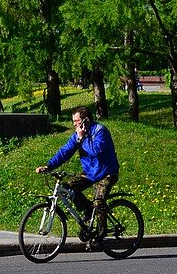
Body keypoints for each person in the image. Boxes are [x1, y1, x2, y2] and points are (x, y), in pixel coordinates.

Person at [36, 106, 119, 249]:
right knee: (68, 187)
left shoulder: (100, 131)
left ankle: (101, 234)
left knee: (99, 203)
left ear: (85, 120)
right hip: (90, 173)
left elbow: (96, 151)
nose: (74, 124)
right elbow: (65, 151)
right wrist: (49, 166)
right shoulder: (77, 135)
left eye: (76, 121)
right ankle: (87, 210)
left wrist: (82, 138)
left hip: (107, 173)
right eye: (73, 121)